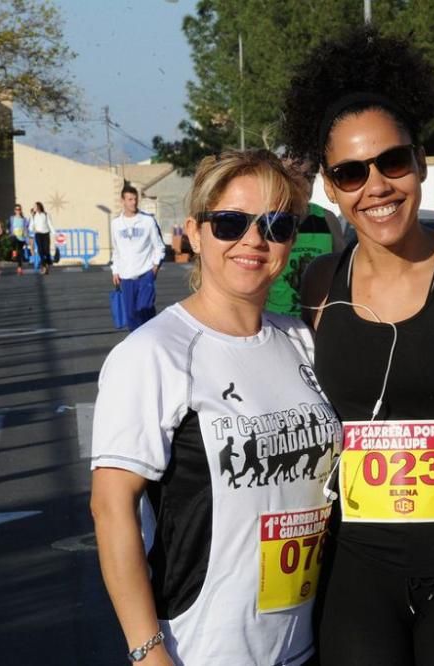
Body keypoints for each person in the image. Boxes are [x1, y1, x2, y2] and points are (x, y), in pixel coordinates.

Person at [283, 26, 434, 666]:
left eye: (392, 162)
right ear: (329, 189)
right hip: (356, 564)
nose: (377, 186)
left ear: (419, 164)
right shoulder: (316, 286)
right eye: (351, 173)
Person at [90, 149, 341, 666]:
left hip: (305, 642)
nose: (253, 240)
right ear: (195, 232)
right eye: (230, 222)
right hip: (201, 649)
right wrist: (147, 651)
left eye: (275, 224)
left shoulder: (302, 341)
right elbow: (111, 508)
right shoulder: (153, 353)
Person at [266, 157, 345, 317]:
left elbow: (344, 274)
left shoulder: (327, 219)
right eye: (294, 175)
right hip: (276, 323)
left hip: (316, 324)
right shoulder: (267, 220)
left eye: (309, 176)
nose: (304, 184)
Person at [110, 185, 166, 331]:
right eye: (129, 199)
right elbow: (116, 250)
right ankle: (136, 345)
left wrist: (154, 267)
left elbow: (159, 246)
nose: (133, 202)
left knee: (145, 310)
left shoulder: (147, 221)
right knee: (131, 315)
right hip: (126, 277)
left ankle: (150, 341)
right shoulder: (116, 224)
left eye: (135, 199)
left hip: (145, 274)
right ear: (122, 201)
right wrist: (115, 270)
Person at [30, 201, 56, 274]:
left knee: (46, 250)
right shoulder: (33, 216)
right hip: (38, 234)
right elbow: (31, 227)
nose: (33, 208)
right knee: (40, 250)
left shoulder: (46, 214)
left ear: (38, 207)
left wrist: (54, 233)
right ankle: (44, 266)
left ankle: (47, 262)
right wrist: (32, 219)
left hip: (46, 234)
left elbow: (50, 224)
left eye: (35, 206)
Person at [7, 204, 29, 275]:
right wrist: (8, 231)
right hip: (14, 235)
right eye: (16, 209)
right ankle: (13, 252)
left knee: (20, 253)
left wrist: (26, 239)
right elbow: (8, 226)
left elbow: (25, 230)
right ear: (14, 211)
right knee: (13, 239)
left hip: (21, 237)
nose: (17, 211)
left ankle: (19, 268)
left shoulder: (24, 219)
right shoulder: (12, 218)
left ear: (20, 210)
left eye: (19, 209)